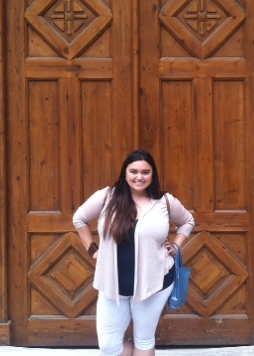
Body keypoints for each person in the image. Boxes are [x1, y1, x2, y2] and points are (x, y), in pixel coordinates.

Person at [73, 149, 195, 356]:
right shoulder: (107, 197)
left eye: (145, 172)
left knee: (144, 340)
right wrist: (93, 250)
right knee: (109, 346)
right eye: (134, 171)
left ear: (152, 175)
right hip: (113, 284)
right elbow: (79, 219)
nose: (139, 177)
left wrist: (175, 247)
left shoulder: (165, 201)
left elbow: (187, 221)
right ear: (125, 173)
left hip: (154, 283)